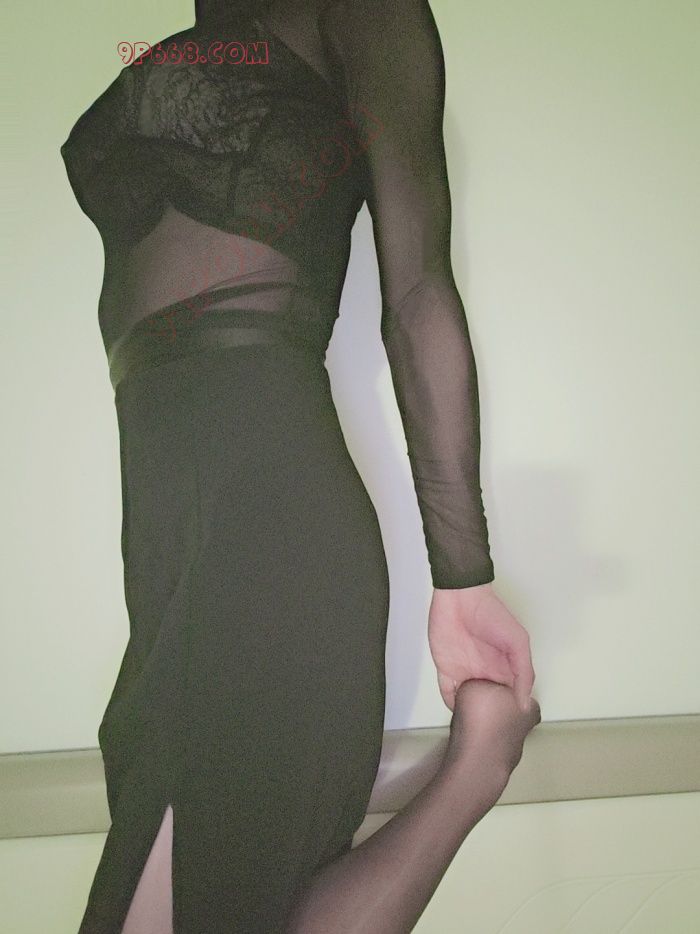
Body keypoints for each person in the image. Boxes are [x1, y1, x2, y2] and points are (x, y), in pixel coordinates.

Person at [59, 0, 540, 931]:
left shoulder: (364, 11)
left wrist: (463, 578)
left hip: (271, 511)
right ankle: (481, 764)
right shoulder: (214, 15)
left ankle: (480, 765)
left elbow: (417, 291)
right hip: (163, 533)